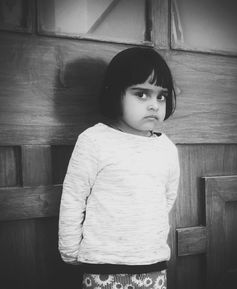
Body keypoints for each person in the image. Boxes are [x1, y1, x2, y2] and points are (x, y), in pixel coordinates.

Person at [58, 47, 180, 289]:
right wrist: (70, 249)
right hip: (103, 267)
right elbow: (73, 198)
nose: (154, 105)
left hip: (152, 264)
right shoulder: (94, 141)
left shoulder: (166, 148)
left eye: (161, 96)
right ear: (115, 94)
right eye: (142, 94)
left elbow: (166, 198)